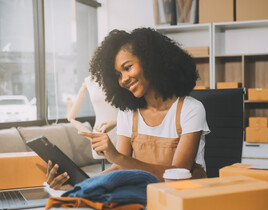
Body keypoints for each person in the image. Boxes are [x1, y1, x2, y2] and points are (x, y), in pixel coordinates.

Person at [46, 27, 209, 189]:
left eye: (127, 67)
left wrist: (117, 157)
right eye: (118, 75)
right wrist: (77, 184)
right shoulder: (128, 113)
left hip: (186, 199)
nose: (123, 79)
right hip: (147, 195)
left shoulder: (191, 109)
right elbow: (120, 168)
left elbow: (179, 174)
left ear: (150, 62)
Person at [67, 75, 118, 159]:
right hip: (98, 137)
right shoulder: (89, 81)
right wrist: (90, 136)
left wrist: (116, 122)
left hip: (122, 135)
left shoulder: (120, 76)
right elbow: (71, 118)